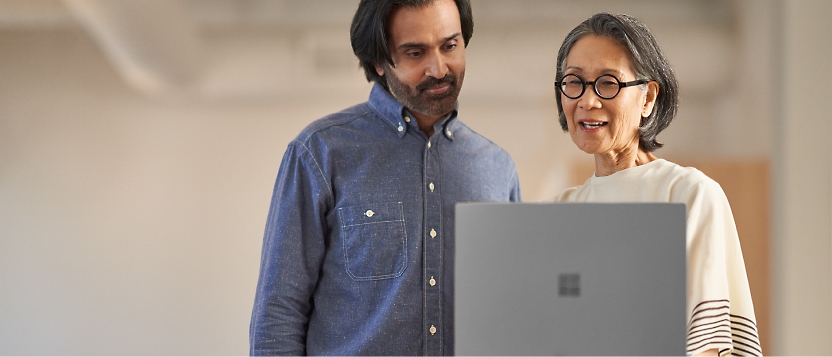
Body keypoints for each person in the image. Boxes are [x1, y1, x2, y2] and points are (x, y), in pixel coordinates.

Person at [249, 0, 521, 355]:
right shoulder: (320, 152)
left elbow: (513, 311)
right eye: (415, 52)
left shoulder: (498, 167)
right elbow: (278, 314)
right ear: (378, 61)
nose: (439, 68)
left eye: (450, 45)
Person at [551, 13, 761, 357]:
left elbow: (708, 347)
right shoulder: (556, 212)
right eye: (574, 82)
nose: (587, 101)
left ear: (647, 98)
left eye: (608, 83)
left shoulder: (688, 195)